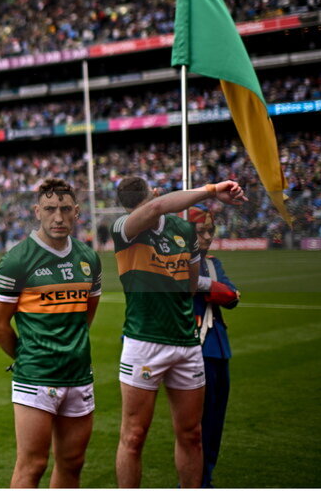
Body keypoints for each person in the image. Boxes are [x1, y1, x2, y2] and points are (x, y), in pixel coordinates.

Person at [111, 176, 246, 488]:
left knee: (192, 434)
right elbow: (158, 207)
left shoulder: (184, 230)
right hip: (144, 342)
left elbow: (189, 283)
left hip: (186, 342)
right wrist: (213, 190)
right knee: (133, 436)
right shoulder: (125, 228)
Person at [0, 178, 102, 488]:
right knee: (33, 465)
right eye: (50, 209)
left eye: (66, 209)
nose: (58, 217)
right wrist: (28, 355)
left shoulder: (88, 258)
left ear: (77, 212)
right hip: (36, 376)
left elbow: (86, 314)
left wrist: (69, 348)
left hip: (78, 374)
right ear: (37, 211)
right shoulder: (17, 260)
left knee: (73, 463)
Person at [188, 206, 240, 488]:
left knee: (215, 424)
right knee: (195, 428)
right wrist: (215, 289)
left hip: (219, 348)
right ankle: (193, 482)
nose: (207, 237)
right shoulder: (170, 264)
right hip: (194, 350)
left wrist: (205, 284)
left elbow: (232, 296)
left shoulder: (211, 263)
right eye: (200, 232)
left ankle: (205, 478)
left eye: (210, 231)